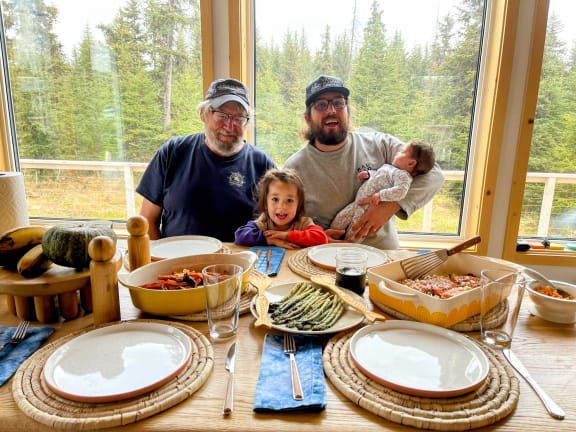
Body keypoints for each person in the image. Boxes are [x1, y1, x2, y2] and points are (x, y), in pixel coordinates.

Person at [284, 75, 444, 250]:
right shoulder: (294, 168)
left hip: (382, 257)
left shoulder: (381, 145)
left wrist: (391, 205)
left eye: (339, 103)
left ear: (348, 111)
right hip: (323, 256)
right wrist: (315, 238)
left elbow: (434, 174)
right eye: (321, 105)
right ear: (307, 118)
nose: (331, 110)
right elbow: (285, 220)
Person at [136, 78, 275, 242]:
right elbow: (147, 221)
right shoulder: (172, 152)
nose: (229, 126)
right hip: (178, 262)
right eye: (222, 115)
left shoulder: (262, 164)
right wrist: (159, 262)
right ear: (204, 114)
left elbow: (277, 223)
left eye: (238, 118)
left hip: (239, 263)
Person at [331, 140, 436, 242]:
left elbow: (400, 191)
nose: (398, 152)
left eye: (402, 152)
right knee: (339, 220)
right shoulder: (389, 167)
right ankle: (332, 238)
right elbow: (378, 176)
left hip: (367, 209)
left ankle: (348, 245)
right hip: (357, 203)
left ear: (411, 163)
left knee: (355, 230)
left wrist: (380, 195)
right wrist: (368, 174)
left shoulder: (403, 176)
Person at [234, 168, 329, 249]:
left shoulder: (303, 222)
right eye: (275, 199)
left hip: (296, 265)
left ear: (298, 204)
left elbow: (322, 238)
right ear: (266, 203)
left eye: (289, 200)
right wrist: (270, 240)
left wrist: (286, 235)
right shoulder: (264, 221)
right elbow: (240, 236)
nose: (282, 206)